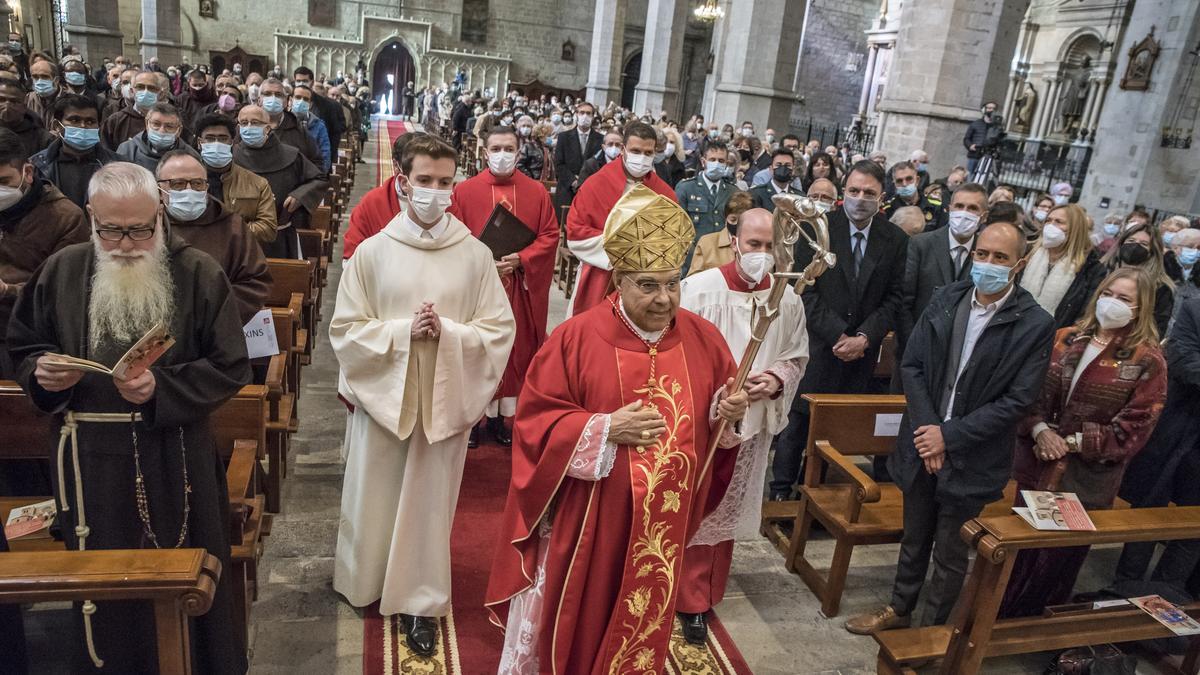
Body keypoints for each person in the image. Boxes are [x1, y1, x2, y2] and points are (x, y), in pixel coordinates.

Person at [485, 184, 748, 674]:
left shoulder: (705, 339)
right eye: (648, 285)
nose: (664, 298)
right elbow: (535, 423)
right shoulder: (577, 339)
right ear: (619, 280)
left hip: (664, 522)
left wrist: (726, 414)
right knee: (583, 620)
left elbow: (716, 432)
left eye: (673, 283)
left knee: (643, 624)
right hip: (592, 520)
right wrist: (603, 429)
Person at [6, 162, 250, 673]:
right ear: (91, 216)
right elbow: (25, 344)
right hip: (88, 461)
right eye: (111, 229)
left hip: (173, 456)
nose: (125, 244)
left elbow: (230, 365)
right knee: (101, 598)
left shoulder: (198, 272)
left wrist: (163, 386)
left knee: (182, 582)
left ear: (159, 213)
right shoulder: (63, 270)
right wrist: (41, 373)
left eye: (140, 229)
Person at [330, 135, 515, 657]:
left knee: (428, 508)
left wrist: (450, 334)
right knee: (374, 492)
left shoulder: (475, 255)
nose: (435, 192)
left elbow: (499, 329)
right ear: (402, 183)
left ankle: (420, 600)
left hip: (443, 396)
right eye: (425, 181)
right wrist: (401, 333)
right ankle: (364, 580)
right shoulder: (372, 253)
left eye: (445, 182)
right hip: (384, 395)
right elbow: (345, 329)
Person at [845, 220, 1055, 635]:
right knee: (915, 537)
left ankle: (931, 633)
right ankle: (899, 608)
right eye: (982, 254)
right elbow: (913, 365)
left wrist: (950, 436)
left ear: (1020, 264)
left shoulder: (1034, 323)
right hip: (924, 442)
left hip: (973, 454)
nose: (988, 264)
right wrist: (929, 432)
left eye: (1000, 258)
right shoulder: (946, 299)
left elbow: (1017, 400)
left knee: (951, 552)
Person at [1001, 268, 1166, 617]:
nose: (1113, 303)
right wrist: (1039, 430)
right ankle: (996, 615)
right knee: (1018, 551)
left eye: (1124, 299)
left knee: (1055, 561)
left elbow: (1135, 428)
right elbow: (1026, 392)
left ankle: (1033, 630)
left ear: (1141, 308)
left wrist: (1071, 443)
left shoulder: (1146, 360)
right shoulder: (1065, 338)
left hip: (1086, 478)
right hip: (1038, 462)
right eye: (1109, 293)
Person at [677, 207, 809, 644]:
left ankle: (702, 594)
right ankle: (680, 591)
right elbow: (674, 352)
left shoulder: (787, 297)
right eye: (754, 244)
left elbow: (796, 353)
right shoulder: (698, 290)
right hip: (700, 421)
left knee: (723, 514)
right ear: (734, 241)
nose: (762, 255)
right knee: (694, 505)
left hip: (752, 424)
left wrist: (773, 380)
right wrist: (717, 396)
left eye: (771, 247)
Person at [770, 160, 908, 499]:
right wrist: (837, 334)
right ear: (842, 193)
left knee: (836, 428)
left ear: (881, 197)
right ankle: (780, 490)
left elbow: (894, 296)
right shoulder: (817, 228)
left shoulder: (894, 239)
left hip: (861, 350)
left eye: (869, 193)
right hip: (818, 344)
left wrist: (864, 337)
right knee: (798, 423)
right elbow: (804, 289)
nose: (861, 198)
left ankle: (813, 491)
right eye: (854, 191)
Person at [448, 125, 559, 446]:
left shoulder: (536, 192)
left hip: (517, 290)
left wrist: (522, 258)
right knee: (475, 351)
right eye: (496, 149)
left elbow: (550, 235)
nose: (502, 155)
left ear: (519, 152)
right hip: (477, 290)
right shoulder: (465, 191)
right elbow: (453, 236)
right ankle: (471, 420)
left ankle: (498, 419)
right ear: (484, 152)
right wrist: (482, 263)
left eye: (508, 149)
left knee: (513, 352)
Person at [1115, 295, 1200, 591]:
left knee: (1193, 527)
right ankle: (1124, 588)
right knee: (1150, 510)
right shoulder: (1195, 308)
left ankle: (1167, 594)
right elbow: (1186, 364)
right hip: (1175, 428)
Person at [0, 126, 88, 374]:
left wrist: (8, 291)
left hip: (29, 337)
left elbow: (63, 292)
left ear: (27, 172)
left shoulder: (65, 218)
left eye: (3, 182)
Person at [565, 120, 676, 316]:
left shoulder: (664, 193)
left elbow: (672, 239)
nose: (642, 157)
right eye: (636, 151)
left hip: (646, 283)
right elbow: (576, 234)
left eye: (648, 153)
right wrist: (626, 250)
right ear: (623, 149)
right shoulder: (596, 185)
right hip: (600, 275)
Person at [156, 150, 270, 323]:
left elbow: (255, 282)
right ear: (159, 189)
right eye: (178, 184)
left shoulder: (232, 226)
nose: (189, 191)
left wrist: (211, 316)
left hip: (216, 330)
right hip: (157, 328)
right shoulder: (147, 227)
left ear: (207, 187)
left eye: (197, 184)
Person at [234, 104, 327, 259]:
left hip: (280, 237)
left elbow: (319, 179)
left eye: (255, 123)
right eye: (244, 123)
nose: (249, 127)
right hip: (239, 238)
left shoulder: (290, 155)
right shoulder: (231, 156)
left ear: (268, 127)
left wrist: (300, 196)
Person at [900, 183, 987, 350]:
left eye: (972, 208)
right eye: (959, 206)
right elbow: (904, 302)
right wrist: (913, 344)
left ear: (983, 217)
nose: (964, 213)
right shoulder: (921, 244)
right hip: (915, 346)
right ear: (949, 209)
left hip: (959, 353)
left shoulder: (986, 254)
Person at [193, 113, 278, 246]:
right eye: (209, 138)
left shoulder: (257, 183)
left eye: (223, 138)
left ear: (232, 142)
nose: (216, 144)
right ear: (199, 142)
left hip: (239, 254)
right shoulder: (185, 180)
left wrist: (227, 230)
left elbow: (268, 229)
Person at [1020, 203, 1107, 329]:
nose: (1050, 225)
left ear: (1075, 229)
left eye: (1059, 222)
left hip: (1053, 335)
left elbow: (1084, 312)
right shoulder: (1027, 253)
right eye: (1048, 220)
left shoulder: (1091, 269)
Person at [342, 131, 425, 259]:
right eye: (423, 178)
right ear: (396, 166)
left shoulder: (444, 203)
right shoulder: (372, 203)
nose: (434, 187)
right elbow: (352, 256)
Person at [30, 94, 119, 210]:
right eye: (75, 120)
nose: (83, 126)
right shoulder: (38, 166)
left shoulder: (117, 164)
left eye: (90, 121)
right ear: (57, 126)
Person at [1101, 222, 1175, 338]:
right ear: (1121, 243)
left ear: (1152, 251)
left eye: (1144, 244)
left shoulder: (1160, 287)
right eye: (1131, 241)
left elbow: (1156, 328)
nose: (1135, 246)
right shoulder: (1101, 271)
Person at [676, 141, 735, 275]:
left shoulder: (733, 192)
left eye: (721, 160)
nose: (717, 164)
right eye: (712, 160)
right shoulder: (686, 188)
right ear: (703, 162)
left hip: (721, 260)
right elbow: (678, 229)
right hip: (692, 259)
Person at [258, 78, 324, 170]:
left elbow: (317, 164)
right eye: (267, 94)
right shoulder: (247, 128)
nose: (273, 98)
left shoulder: (299, 130)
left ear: (286, 101)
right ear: (259, 100)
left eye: (278, 95)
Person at [115, 102, 201, 171]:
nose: (161, 131)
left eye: (169, 126)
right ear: (146, 124)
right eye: (156, 124)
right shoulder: (127, 150)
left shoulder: (191, 156)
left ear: (179, 130)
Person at [551, 101, 602, 217]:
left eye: (588, 113)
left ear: (593, 116)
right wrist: (574, 181)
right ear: (576, 115)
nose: (585, 116)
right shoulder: (564, 137)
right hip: (567, 188)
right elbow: (559, 163)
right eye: (582, 113)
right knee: (564, 224)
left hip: (589, 189)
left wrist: (583, 181)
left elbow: (600, 165)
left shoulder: (600, 139)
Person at [688, 190, 753, 278]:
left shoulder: (759, 244)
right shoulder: (707, 243)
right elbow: (693, 279)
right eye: (733, 220)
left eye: (743, 220)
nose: (738, 224)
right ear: (726, 219)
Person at [293, 66, 345, 157]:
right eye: (298, 81)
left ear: (312, 82)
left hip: (317, 156)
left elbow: (335, 133)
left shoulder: (328, 105)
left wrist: (330, 158)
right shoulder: (288, 101)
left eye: (305, 81)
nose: (301, 83)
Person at [100, 70, 160, 150]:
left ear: (159, 92)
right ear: (132, 91)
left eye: (151, 88)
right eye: (140, 87)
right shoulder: (116, 121)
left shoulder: (169, 120)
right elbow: (105, 151)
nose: (146, 91)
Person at [885, 160, 945, 231]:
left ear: (917, 180)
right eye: (899, 181)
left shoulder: (935, 205)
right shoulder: (887, 209)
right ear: (894, 184)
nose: (904, 184)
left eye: (909, 179)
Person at [0, 79, 51, 157]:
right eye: (1, 100)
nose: (7, 105)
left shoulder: (43, 139)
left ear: (24, 105)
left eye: (14, 101)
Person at [289, 83, 331, 172]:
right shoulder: (282, 121)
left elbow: (325, 155)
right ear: (291, 100)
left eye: (305, 99)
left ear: (310, 104)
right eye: (298, 97)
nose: (301, 101)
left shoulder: (319, 126)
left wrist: (317, 177)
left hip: (311, 175)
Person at [749, 148, 801, 212]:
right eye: (778, 165)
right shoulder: (757, 193)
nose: (783, 168)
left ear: (793, 170)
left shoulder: (799, 196)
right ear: (771, 169)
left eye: (788, 165)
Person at [963, 101, 1002, 175]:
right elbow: (966, 139)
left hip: (989, 156)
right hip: (975, 155)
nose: (991, 110)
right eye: (989, 108)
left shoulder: (997, 127)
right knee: (970, 175)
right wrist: (970, 146)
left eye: (993, 108)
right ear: (984, 110)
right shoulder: (975, 124)